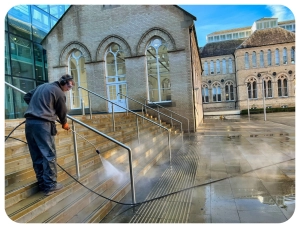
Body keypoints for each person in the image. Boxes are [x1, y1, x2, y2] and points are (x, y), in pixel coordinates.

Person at [23, 74, 74, 196]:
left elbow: (27, 97)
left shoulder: (43, 86)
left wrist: (39, 107)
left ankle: (42, 184)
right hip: (43, 125)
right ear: (63, 83)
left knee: (37, 155)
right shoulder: (59, 93)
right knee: (49, 155)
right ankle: (50, 185)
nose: (69, 89)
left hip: (30, 124)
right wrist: (64, 124)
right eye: (69, 86)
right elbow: (62, 112)